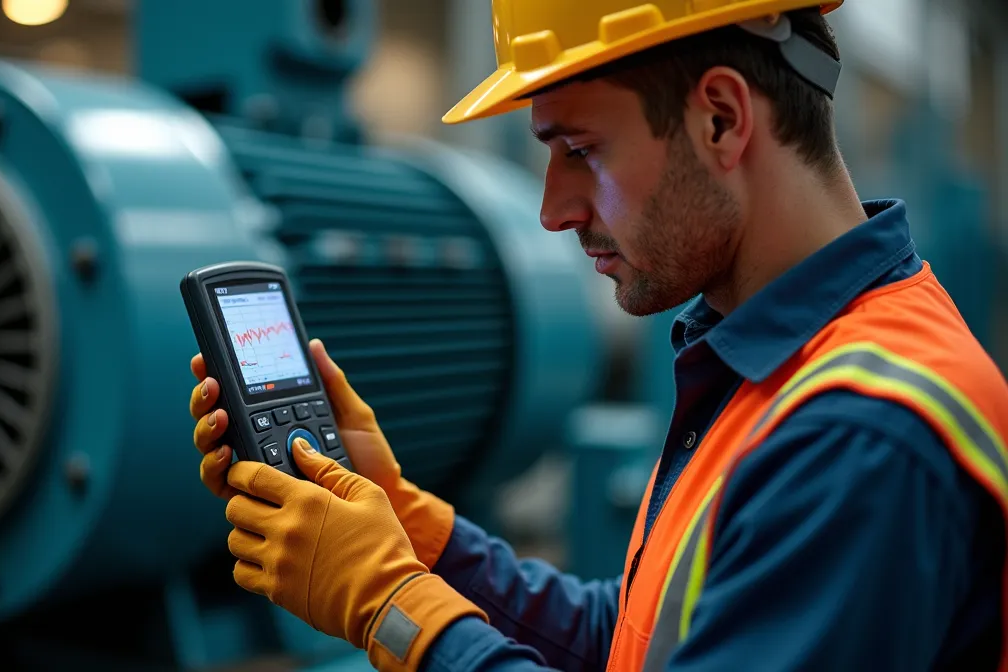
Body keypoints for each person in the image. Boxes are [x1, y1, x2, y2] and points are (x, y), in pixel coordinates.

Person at [187, 1, 1008, 670]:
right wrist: (411, 529)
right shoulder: (778, 363)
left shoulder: (859, 437)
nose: (554, 210)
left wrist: (389, 606)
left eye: (581, 149)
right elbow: (638, 642)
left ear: (721, 119)